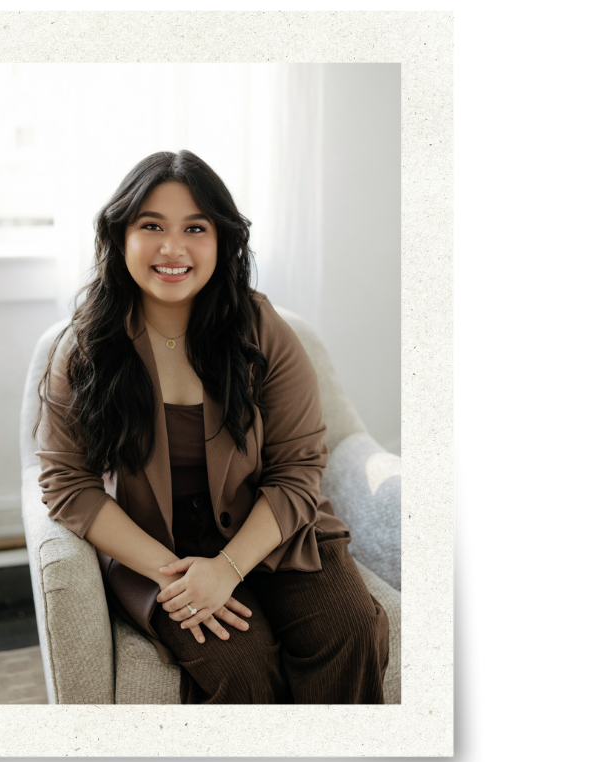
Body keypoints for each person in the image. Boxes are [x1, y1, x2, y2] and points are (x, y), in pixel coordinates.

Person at [35, 150, 389, 704]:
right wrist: (172, 574)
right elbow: (67, 485)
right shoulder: (83, 350)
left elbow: (298, 470)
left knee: (349, 630)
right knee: (242, 667)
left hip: (274, 532)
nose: (172, 248)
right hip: (159, 550)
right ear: (119, 235)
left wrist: (228, 566)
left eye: (194, 228)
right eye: (151, 226)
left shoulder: (263, 330)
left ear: (221, 240)